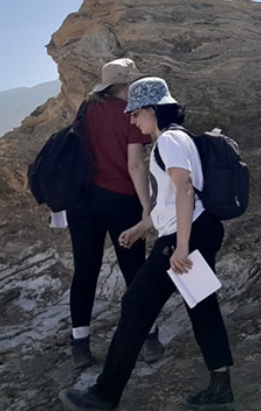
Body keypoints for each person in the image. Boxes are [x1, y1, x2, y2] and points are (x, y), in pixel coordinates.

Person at [59, 77, 235, 411]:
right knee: (202, 306)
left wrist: (180, 246)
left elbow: (185, 190)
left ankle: (104, 395)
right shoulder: (179, 138)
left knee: (135, 306)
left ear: (153, 109)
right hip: (199, 229)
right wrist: (142, 226)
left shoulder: (168, 141)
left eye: (136, 112)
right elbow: (172, 199)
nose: (132, 120)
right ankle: (220, 389)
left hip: (185, 237)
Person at [67, 58, 164, 369]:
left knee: (85, 270)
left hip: (82, 201)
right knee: (135, 271)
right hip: (121, 200)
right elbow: (134, 165)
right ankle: (149, 338)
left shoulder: (86, 109)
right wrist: (147, 208)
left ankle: (80, 344)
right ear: (126, 84)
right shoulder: (129, 114)